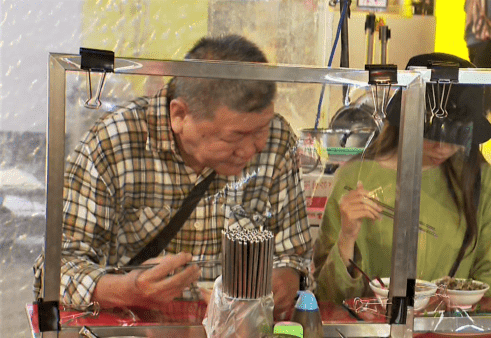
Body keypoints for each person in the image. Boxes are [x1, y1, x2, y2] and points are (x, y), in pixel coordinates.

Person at [32, 35, 311, 319]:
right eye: (235, 136)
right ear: (179, 115)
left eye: (262, 129)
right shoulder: (113, 144)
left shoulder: (278, 140)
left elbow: (295, 254)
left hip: (240, 332)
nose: (254, 147)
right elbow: (55, 269)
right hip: (134, 333)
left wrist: (287, 278)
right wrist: (126, 290)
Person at [313, 53, 491, 304]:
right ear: (404, 119)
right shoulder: (355, 177)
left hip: (453, 325)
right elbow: (327, 298)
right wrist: (346, 237)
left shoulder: (481, 181)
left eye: (454, 136)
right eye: (430, 134)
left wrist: (454, 307)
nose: (441, 147)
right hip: (372, 325)